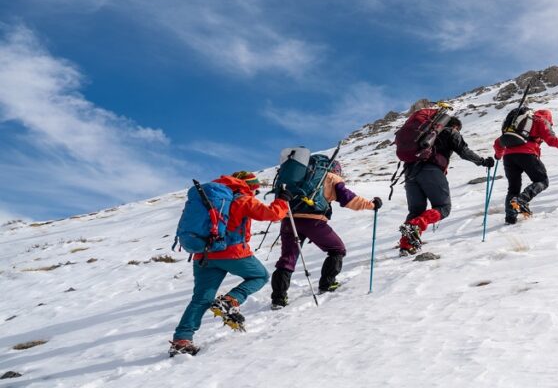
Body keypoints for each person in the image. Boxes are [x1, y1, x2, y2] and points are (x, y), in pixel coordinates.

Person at [169, 171, 289, 357]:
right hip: (232, 253)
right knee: (260, 276)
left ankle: (181, 340)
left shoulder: (207, 198)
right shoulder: (242, 199)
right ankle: (230, 301)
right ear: (249, 186)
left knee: (201, 298)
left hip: (204, 255)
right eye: (255, 189)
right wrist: (282, 200)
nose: (255, 193)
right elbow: (272, 215)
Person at [270, 162, 382, 309]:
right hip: (313, 222)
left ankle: (278, 299)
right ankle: (327, 284)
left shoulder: (299, 177)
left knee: (287, 258)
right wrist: (371, 205)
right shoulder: (330, 177)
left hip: (289, 220)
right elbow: (348, 199)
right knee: (337, 249)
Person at [399, 115, 493, 255]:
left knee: (415, 211)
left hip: (410, 173)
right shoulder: (450, 131)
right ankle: (416, 225)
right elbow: (463, 151)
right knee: (443, 208)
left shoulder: (423, 132)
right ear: (455, 126)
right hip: (431, 170)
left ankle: (406, 246)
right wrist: (482, 161)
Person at [494, 109, 558, 223]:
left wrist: (498, 155)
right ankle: (521, 200)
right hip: (527, 154)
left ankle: (510, 218)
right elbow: (550, 139)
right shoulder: (540, 120)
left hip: (508, 157)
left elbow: (498, 142)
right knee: (542, 181)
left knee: (513, 188)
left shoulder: (516, 124)